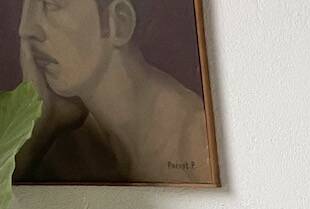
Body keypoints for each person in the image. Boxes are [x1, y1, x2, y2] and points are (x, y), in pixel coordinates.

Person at [16, 0, 211, 183]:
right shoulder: (65, 145)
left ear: (119, 22)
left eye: (51, 4)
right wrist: (39, 126)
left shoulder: (197, 144)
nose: (25, 29)